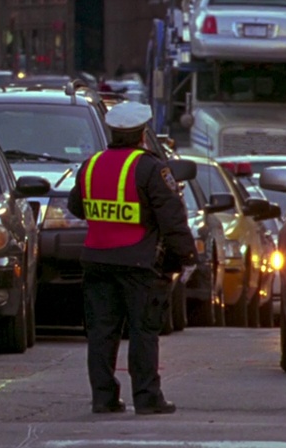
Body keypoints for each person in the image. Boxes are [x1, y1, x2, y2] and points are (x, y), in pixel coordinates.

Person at [68, 101, 196, 416]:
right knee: (143, 330)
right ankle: (147, 397)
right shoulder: (151, 168)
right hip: (139, 263)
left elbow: (76, 206)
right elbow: (172, 217)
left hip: (97, 260)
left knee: (101, 332)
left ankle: (103, 398)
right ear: (142, 134)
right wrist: (187, 256)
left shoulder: (91, 165)